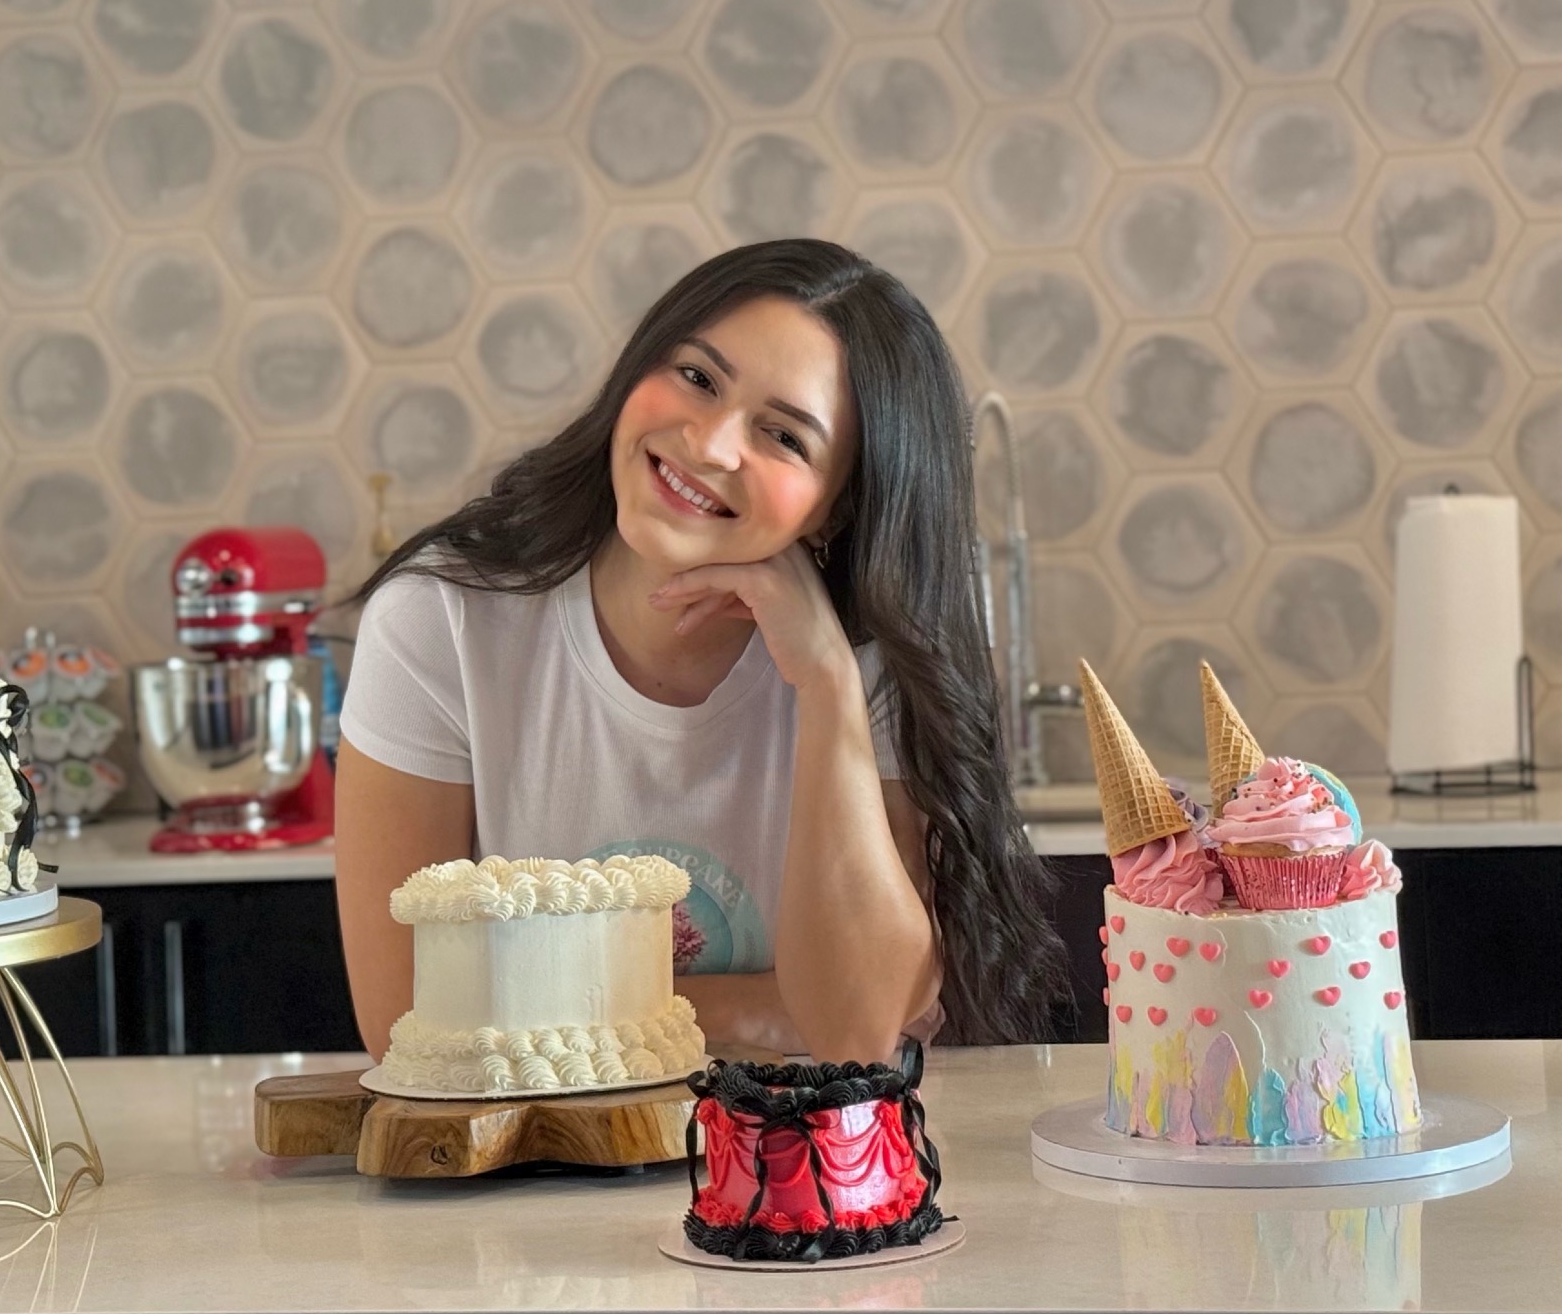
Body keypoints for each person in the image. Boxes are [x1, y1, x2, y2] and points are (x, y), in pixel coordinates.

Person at [334, 239, 1064, 1062]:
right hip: (535, 1146)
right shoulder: (442, 620)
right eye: (697, 377)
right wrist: (764, 1009)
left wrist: (826, 681)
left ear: (835, 506)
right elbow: (406, 1017)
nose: (710, 443)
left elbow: (855, 1027)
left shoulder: (872, 655)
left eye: (783, 436)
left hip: (795, 1144)